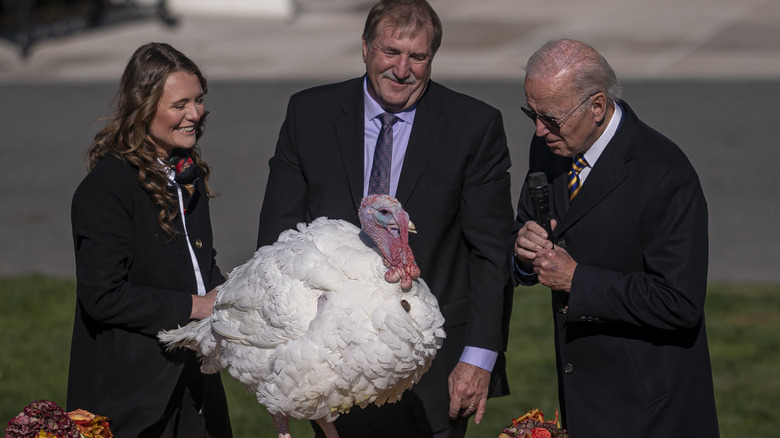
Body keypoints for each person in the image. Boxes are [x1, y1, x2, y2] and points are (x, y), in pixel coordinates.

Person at [256, 0, 514, 436]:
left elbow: (491, 253)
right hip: (330, 361)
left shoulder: (474, 126)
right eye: (390, 52)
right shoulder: (309, 115)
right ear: (364, 48)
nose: (402, 68)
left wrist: (479, 357)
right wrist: (282, 354)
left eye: (417, 57)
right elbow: (276, 241)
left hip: (432, 368)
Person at [511, 39, 719, 436]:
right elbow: (522, 229)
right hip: (581, 395)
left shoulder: (665, 175)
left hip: (650, 410)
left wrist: (578, 281)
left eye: (551, 118)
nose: (539, 131)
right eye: (530, 113)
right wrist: (522, 251)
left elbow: (680, 302)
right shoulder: (551, 146)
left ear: (597, 106)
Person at [67, 42, 232, 438]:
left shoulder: (185, 172)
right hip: (131, 397)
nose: (195, 114)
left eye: (198, 100)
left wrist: (238, 296)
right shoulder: (106, 188)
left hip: (195, 387)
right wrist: (195, 306)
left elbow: (197, 265)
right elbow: (103, 295)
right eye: (180, 104)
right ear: (143, 108)